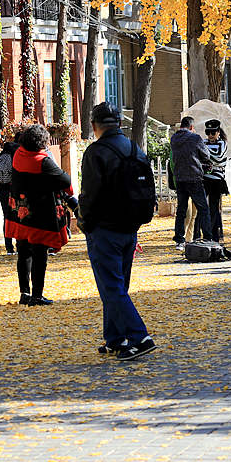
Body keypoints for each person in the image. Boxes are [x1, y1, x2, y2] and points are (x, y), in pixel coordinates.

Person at [78, 102, 156, 360]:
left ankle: (139, 337)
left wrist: (84, 221)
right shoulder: (135, 150)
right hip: (130, 227)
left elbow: (90, 194)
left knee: (111, 287)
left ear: (94, 126)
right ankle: (115, 338)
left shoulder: (96, 152)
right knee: (118, 285)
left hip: (104, 229)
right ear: (120, 123)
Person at [3, 124, 73, 306]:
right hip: (40, 212)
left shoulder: (18, 154)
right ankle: (37, 295)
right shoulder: (42, 161)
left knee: (23, 251)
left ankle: (24, 293)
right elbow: (65, 180)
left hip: (20, 209)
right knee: (40, 253)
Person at [170, 116, 213, 250]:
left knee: (181, 210)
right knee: (203, 209)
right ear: (191, 127)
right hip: (194, 177)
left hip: (180, 178)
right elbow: (206, 155)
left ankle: (179, 240)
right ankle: (207, 237)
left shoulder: (174, 139)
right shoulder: (195, 138)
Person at [0, 133, 23, 255]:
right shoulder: (18, 152)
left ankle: (8, 247)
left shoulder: (5, 151)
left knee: (6, 217)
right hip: (14, 188)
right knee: (18, 216)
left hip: (2, 188)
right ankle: (19, 244)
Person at [203, 119, 229, 242]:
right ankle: (203, 234)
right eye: (208, 133)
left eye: (213, 133)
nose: (210, 136)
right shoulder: (203, 142)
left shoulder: (223, 143)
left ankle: (215, 234)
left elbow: (219, 158)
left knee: (214, 208)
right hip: (204, 179)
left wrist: (206, 155)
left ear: (218, 132)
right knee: (202, 208)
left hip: (217, 181)